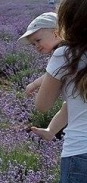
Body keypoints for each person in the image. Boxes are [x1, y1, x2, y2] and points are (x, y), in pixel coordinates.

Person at [31, 0, 87, 183]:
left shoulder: (65, 56)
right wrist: (52, 130)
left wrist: (47, 78)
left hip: (80, 155)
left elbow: (43, 105)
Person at [21, 12, 68, 140]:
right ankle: (51, 131)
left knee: (68, 106)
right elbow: (54, 74)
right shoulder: (73, 50)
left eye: (38, 40)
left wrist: (35, 84)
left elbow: (42, 106)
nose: (36, 46)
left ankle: (51, 131)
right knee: (68, 106)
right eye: (33, 44)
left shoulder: (62, 54)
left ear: (56, 33)